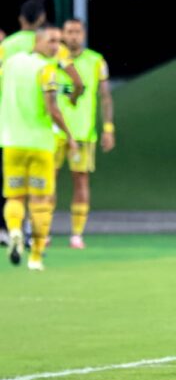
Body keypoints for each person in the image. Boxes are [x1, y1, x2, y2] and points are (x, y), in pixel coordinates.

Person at [0, 0, 84, 247]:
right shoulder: (51, 43)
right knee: (42, 190)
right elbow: (76, 81)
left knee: (11, 189)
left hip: (9, 128)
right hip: (44, 130)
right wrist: (73, 96)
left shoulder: (9, 45)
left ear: (20, 19)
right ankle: (34, 235)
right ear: (40, 19)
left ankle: (7, 229)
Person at [52, 18, 115, 249]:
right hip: (54, 132)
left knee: (80, 181)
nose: (74, 36)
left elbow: (105, 96)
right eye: (69, 32)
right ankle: (42, 230)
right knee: (48, 181)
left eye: (77, 31)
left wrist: (108, 127)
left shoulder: (96, 61)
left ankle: (76, 234)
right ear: (62, 34)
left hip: (83, 133)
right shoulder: (53, 59)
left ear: (84, 33)